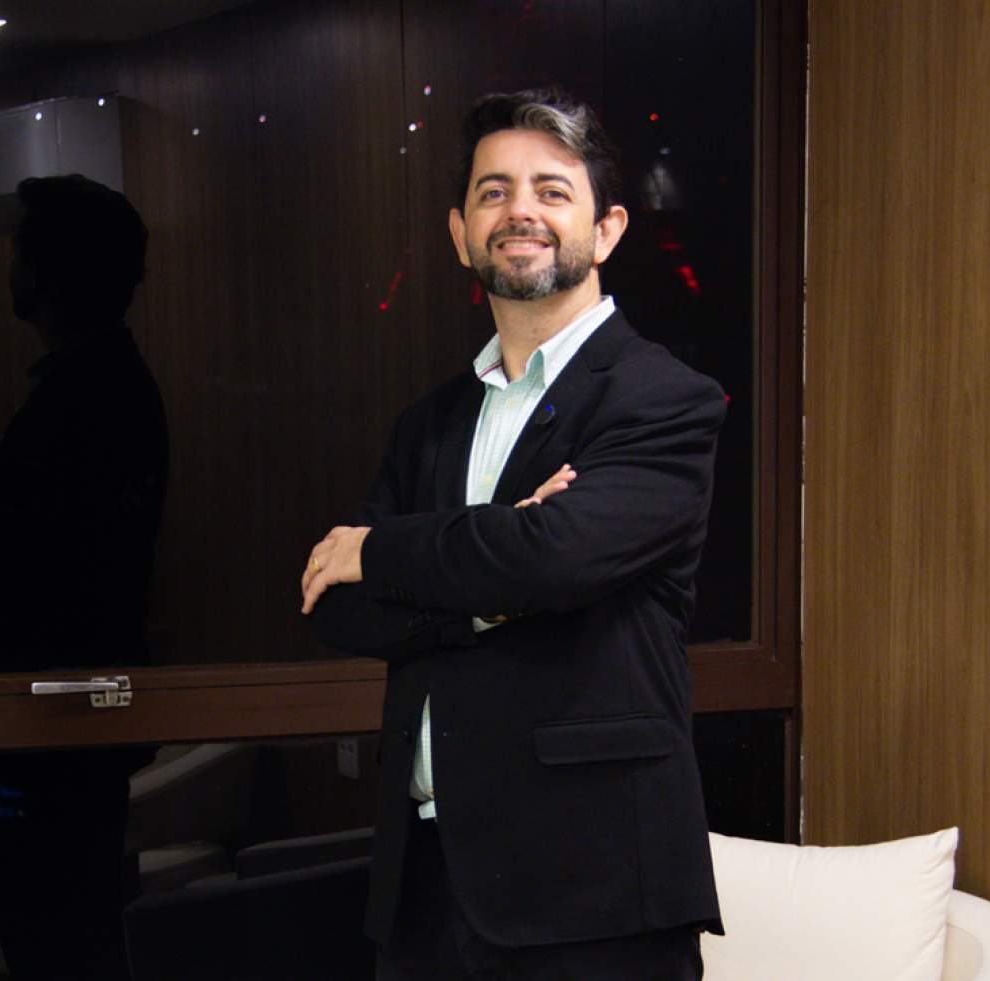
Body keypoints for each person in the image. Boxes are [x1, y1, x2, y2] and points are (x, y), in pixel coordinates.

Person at [302, 88, 724, 979]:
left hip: (594, 892)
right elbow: (338, 609)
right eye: (492, 192)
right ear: (461, 234)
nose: (519, 211)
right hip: (425, 888)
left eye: (551, 190)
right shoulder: (428, 425)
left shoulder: (662, 399)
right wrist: (495, 577)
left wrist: (381, 551)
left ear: (606, 230)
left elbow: (554, 555)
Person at [0, 174, 167, 978]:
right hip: (54, 733)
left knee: (58, 947)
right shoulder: (98, 387)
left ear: (51, 268)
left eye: (21, 248)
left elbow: (45, 567)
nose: (9, 265)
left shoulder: (88, 398)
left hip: (52, 736)